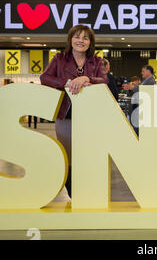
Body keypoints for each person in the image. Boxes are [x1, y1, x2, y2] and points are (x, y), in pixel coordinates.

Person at [40, 25, 108, 198]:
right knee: (68, 157)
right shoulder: (59, 58)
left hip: (91, 116)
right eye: (77, 37)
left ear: (90, 42)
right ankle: (73, 195)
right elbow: (45, 78)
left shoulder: (97, 61)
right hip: (66, 116)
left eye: (86, 38)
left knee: (89, 155)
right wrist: (69, 81)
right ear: (71, 39)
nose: (81, 41)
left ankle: (88, 194)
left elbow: (103, 81)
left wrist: (87, 78)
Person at [121, 65, 157, 135]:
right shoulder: (146, 81)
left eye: (143, 71)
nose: (141, 73)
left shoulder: (151, 81)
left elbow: (144, 92)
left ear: (148, 71)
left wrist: (133, 87)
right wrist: (130, 88)